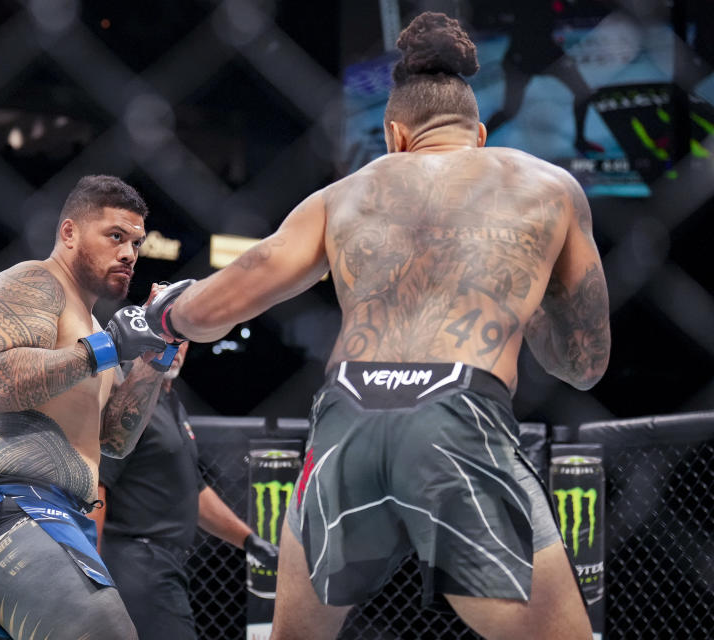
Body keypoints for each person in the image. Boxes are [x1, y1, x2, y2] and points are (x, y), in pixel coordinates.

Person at [144, 12, 610, 640]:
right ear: (480, 132)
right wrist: (522, 303)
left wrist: (162, 313)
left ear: (394, 134)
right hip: (459, 411)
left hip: (347, 415)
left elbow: (216, 306)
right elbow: (585, 363)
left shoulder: (347, 193)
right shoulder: (549, 187)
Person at [0, 175, 178, 640]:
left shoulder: (90, 325)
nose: (129, 253)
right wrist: (108, 346)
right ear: (69, 233)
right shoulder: (34, 284)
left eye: (136, 242)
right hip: (10, 507)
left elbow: (115, 440)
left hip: (58, 515)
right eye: (115, 236)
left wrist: (157, 354)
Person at [85, 340, 280, 639]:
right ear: (144, 338)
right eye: (166, 337)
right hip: (134, 564)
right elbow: (97, 485)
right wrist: (92, 577)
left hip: (164, 565)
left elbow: (195, 492)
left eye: (182, 339)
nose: (176, 348)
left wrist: (250, 541)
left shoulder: (171, 402)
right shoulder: (129, 400)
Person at [483, 2, 605, 154]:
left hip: (545, 55)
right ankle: (477, 142)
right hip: (524, 58)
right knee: (510, 110)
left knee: (583, 93)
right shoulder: (529, 8)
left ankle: (580, 140)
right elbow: (523, 30)